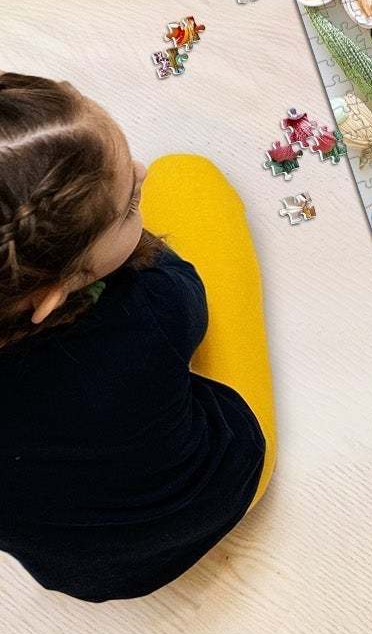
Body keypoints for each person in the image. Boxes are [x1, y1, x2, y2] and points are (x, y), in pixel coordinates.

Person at [0, 74, 276, 601]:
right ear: (52, 295)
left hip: (80, 574)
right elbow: (185, 297)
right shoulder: (149, 308)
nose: (142, 171)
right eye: (129, 204)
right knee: (187, 177)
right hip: (216, 488)